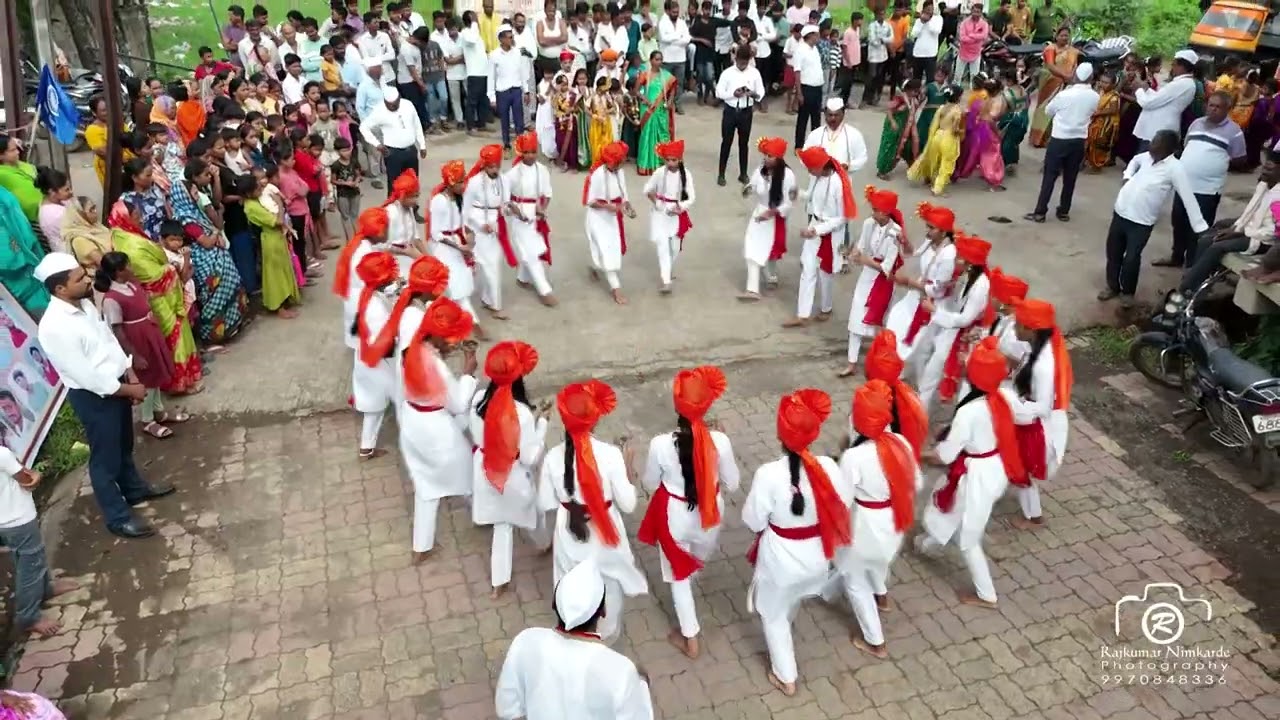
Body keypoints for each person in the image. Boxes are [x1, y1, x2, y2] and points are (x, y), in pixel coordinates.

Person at [33, 253, 175, 539]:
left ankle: (134, 490)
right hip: (94, 397)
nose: (88, 279)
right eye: (79, 278)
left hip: (117, 384)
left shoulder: (85, 305)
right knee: (104, 459)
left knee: (123, 445)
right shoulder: (54, 327)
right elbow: (87, 376)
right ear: (60, 289)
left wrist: (130, 374)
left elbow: (109, 342)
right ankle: (117, 518)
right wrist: (128, 389)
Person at [743, 388, 851, 696]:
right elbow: (843, 504)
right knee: (790, 598)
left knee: (772, 614)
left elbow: (753, 520)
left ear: (780, 433)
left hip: (781, 560)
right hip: (817, 559)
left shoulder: (768, 474)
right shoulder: (828, 466)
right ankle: (787, 623)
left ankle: (785, 676)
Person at [916, 336, 1030, 608]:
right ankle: (930, 543)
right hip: (996, 466)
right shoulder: (1005, 395)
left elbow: (945, 456)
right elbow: (1025, 417)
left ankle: (986, 594)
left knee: (969, 539)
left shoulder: (969, 412)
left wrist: (917, 455)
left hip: (978, 475)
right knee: (954, 507)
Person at [635, 365, 740, 658]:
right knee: (694, 563)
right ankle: (690, 601)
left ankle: (690, 637)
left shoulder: (659, 444)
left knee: (678, 574)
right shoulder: (720, 441)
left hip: (674, 514)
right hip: (710, 514)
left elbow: (650, 483)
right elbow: (733, 483)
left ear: (676, 406)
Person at [537, 379, 648, 645]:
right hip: (605, 533)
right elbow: (629, 505)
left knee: (568, 578)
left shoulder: (552, 457)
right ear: (595, 420)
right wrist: (628, 471)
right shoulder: (611, 455)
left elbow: (546, 503)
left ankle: (572, 627)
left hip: (569, 531)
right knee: (609, 583)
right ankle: (604, 637)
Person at [494, 557, 655, 719]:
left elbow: (507, 708)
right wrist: (640, 685)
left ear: (554, 604)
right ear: (603, 611)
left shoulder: (526, 641)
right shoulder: (621, 672)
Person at [831, 380, 921, 658]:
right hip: (894, 519)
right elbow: (916, 483)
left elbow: (842, 500)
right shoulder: (902, 443)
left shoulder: (854, 456)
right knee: (879, 560)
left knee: (854, 579)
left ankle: (874, 640)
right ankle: (881, 596)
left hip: (866, 522)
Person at [397, 295, 478, 563]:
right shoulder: (436, 366)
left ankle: (421, 546)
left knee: (426, 484)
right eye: (451, 339)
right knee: (468, 472)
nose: (454, 343)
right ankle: (485, 513)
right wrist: (468, 373)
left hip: (412, 422)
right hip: (436, 428)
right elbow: (458, 404)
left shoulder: (411, 350)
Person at [469, 340, 551, 597]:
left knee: (502, 525)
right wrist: (542, 425)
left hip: (485, 471)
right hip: (512, 473)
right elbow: (530, 457)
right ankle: (544, 544)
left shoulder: (479, 401)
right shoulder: (522, 414)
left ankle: (499, 582)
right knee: (532, 511)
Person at [1099, 129, 1207, 307]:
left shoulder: (1175, 169)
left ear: (1169, 149)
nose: (1152, 145)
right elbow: (1134, 161)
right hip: (1121, 213)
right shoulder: (1146, 157)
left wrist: (1201, 228)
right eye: (1153, 141)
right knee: (1113, 253)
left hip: (1141, 222)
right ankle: (1112, 287)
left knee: (1131, 258)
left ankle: (1127, 292)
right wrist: (1127, 177)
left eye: (1157, 143)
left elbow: (1188, 198)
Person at [94, 251, 183, 440]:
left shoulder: (132, 285)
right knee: (147, 380)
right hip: (137, 341)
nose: (131, 267)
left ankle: (159, 411)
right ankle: (147, 420)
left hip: (149, 334)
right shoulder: (111, 299)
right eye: (128, 265)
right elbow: (117, 330)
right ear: (119, 271)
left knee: (156, 374)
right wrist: (134, 355)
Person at [1153, 91, 1246, 268]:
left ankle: (1192, 264)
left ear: (1227, 109)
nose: (1213, 109)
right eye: (1211, 105)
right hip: (1184, 185)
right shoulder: (1196, 124)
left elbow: (1240, 159)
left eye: (1218, 107)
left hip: (1208, 190)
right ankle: (1176, 257)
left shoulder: (1234, 132)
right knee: (1178, 223)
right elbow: (1187, 145)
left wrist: (1216, 163)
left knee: (1198, 228)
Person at [0, 446, 79, 638]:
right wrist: (36, 475)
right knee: (30, 566)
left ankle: (45, 588)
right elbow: (28, 480)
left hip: (6, 520)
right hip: (17, 519)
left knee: (29, 557)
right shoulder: (2, 454)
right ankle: (28, 617)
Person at [1008, 298, 1072, 529]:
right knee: (1016, 465)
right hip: (1030, 418)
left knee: (1021, 467)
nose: (1014, 328)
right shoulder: (1036, 350)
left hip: (1039, 426)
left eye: (1018, 324)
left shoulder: (1043, 365)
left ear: (1031, 330)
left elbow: (1043, 407)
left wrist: (1011, 406)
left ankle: (1034, 517)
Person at [1178, 154, 1280, 294]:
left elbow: (1272, 233)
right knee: (1208, 237)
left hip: (1264, 241)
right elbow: (1249, 212)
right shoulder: (1264, 185)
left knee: (1217, 247)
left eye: (1269, 170)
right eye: (1264, 168)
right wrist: (1236, 227)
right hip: (1251, 228)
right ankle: (1196, 277)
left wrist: (1241, 231)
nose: (1263, 172)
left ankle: (1187, 288)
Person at [915, 232, 992, 415]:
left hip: (966, 337)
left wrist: (935, 311)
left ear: (969, 263)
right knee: (932, 372)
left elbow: (965, 319)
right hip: (955, 332)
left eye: (959, 257)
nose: (955, 259)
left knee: (960, 383)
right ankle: (920, 411)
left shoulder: (980, 286)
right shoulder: (968, 277)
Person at [783, 146, 856, 329]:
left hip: (830, 234)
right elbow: (811, 195)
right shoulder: (817, 177)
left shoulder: (838, 184)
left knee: (825, 274)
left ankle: (826, 307)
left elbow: (843, 217)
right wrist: (799, 194)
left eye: (810, 168)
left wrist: (817, 230)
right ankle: (803, 315)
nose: (808, 171)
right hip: (815, 227)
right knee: (808, 269)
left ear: (820, 166)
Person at [885, 201, 958, 373]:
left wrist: (908, 282)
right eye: (928, 226)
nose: (928, 231)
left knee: (920, 341)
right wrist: (904, 242)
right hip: (919, 291)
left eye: (932, 228)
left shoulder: (948, 255)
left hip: (933, 302)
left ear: (944, 232)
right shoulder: (931, 240)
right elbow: (913, 253)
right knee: (898, 319)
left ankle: (915, 375)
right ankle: (898, 368)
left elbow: (938, 290)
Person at [841, 185, 906, 377]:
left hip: (882, 283)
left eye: (876, 210)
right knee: (856, 319)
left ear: (886, 212)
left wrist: (865, 260)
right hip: (866, 278)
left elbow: (887, 268)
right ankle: (851, 363)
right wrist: (853, 255)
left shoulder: (896, 233)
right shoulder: (869, 223)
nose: (873, 213)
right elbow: (861, 247)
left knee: (878, 324)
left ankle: (878, 364)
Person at [1024, 64, 1099, 223]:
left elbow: (1048, 111)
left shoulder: (1064, 95)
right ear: (1091, 78)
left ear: (1075, 76)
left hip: (1059, 139)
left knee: (1049, 177)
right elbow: (1093, 112)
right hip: (1078, 140)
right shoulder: (1095, 96)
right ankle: (1064, 211)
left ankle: (1040, 212)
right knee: (1070, 178)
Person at [349, 251, 403, 460]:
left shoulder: (367, 293)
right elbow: (384, 343)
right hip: (378, 362)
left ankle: (366, 448)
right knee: (402, 399)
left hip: (365, 358)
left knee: (375, 407)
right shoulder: (376, 310)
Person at [428, 160, 483, 336]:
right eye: (459, 182)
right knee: (456, 285)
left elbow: (465, 223)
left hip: (459, 243)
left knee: (461, 283)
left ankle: (451, 316)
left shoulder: (460, 198)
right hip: (443, 247)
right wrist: (459, 247)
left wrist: (470, 238)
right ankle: (473, 323)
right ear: (450, 183)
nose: (463, 185)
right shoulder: (439, 201)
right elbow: (435, 233)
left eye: (463, 181)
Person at [505, 132, 558, 306]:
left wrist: (542, 209)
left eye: (534, 152)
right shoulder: (513, 174)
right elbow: (505, 200)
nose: (530, 156)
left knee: (534, 248)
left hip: (536, 214)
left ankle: (522, 278)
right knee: (531, 253)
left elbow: (547, 193)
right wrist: (516, 211)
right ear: (521, 152)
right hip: (519, 217)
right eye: (526, 152)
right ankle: (544, 289)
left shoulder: (542, 170)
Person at [739, 137, 795, 301]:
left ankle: (770, 275)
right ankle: (753, 289)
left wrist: (771, 213)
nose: (766, 158)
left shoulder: (788, 176)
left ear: (779, 158)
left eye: (770, 156)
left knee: (769, 249)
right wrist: (748, 189)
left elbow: (789, 203)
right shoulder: (760, 170)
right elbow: (753, 185)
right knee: (751, 247)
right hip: (759, 213)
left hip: (775, 216)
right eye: (765, 155)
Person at [464, 145, 515, 320]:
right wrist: (478, 225)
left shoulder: (504, 180)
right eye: (490, 167)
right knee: (490, 266)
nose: (494, 170)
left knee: (493, 265)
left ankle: (487, 298)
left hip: (497, 225)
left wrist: (508, 211)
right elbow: (466, 209)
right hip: (479, 227)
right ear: (484, 165)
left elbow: (505, 204)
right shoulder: (474, 182)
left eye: (497, 166)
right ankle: (495, 305)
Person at [583, 141, 636, 304]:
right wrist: (608, 206)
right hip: (598, 219)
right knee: (607, 252)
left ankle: (594, 267)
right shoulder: (598, 175)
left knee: (610, 250)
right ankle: (616, 289)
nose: (624, 162)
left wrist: (627, 205)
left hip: (613, 218)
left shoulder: (620, 172)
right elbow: (590, 201)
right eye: (621, 159)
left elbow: (623, 193)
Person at [642, 140, 695, 294]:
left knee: (675, 248)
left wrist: (681, 207)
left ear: (680, 159)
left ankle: (668, 270)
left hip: (676, 214)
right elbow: (647, 189)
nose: (670, 163)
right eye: (667, 160)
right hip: (659, 213)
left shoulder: (686, 174)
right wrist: (656, 202)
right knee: (663, 247)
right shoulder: (659, 172)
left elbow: (691, 197)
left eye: (673, 160)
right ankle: (666, 281)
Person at [360, 86, 428, 196]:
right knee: (394, 185)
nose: (392, 107)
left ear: (399, 98)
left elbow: (417, 124)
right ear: (385, 101)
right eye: (389, 105)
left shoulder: (408, 105)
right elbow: (364, 127)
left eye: (395, 104)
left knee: (412, 182)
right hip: (393, 153)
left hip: (411, 150)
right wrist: (377, 144)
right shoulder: (379, 111)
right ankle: (393, 206)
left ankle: (412, 206)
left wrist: (422, 145)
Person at [715, 45, 765, 186]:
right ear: (735, 59)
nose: (743, 65)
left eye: (745, 62)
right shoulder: (727, 73)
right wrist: (733, 94)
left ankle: (743, 174)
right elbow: (719, 92)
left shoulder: (754, 73)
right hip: (730, 111)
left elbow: (761, 92)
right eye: (740, 62)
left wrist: (753, 94)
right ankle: (721, 174)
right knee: (726, 142)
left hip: (746, 112)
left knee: (744, 143)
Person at [1133, 49, 1199, 155]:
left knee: (1146, 160)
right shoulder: (1184, 83)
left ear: (1182, 67)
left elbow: (1148, 103)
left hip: (1158, 129)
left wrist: (1138, 90)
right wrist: (1146, 89)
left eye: (1174, 64)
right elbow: (1159, 98)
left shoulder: (1181, 84)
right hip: (1157, 128)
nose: (1172, 67)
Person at [907, 84, 965, 197]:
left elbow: (934, 125)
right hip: (949, 139)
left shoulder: (942, 108)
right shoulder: (957, 111)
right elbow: (954, 130)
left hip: (937, 136)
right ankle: (938, 188)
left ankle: (931, 181)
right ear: (958, 97)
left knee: (935, 160)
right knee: (946, 164)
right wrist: (961, 131)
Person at [1028, 27, 1079, 149]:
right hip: (1049, 82)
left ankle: (1051, 138)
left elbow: (1074, 66)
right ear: (1056, 36)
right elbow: (1050, 66)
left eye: (1067, 35)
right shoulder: (1050, 49)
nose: (1064, 38)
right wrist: (1065, 76)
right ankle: (1037, 138)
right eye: (1062, 35)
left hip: (1065, 84)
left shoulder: (1073, 51)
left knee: (1059, 110)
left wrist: (1070, 77)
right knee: (1044, 108)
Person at [490, 25, 533, 152]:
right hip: (502, 91)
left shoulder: (517, 53)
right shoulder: (494, 55)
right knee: (504, 120)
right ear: (501, 39)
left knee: (519, 119)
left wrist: (526, 91)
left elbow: (522, 73)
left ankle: (521, 143)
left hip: (516, 90)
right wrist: (492, 97)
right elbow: (491, 77)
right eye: (509, 37)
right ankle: (506, 143)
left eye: (512, 36)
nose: (511, 39)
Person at [636, 51, 677, 176]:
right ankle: (646, 164)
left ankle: (662, 162)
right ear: (651, 60)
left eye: (660, 59)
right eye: (657, 59)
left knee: (662, 133)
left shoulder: (666, 76)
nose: (659, 62)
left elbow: (673, 89)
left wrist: (670, 101)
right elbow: (636, 91)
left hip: (661, 109)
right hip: (648, 108)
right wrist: (644, 99)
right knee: (647, 134)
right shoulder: (645, 75)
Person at [875, 79, 923, 179]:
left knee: (907, 145)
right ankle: (882, 170)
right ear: (908, 89)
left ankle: (911, 164)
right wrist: (893, 122)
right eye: (915, 91)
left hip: (905, 127)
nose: (916, 93)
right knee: (889, 147)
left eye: (917, 91)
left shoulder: (913, 100)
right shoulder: (900, 99)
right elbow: (889, 110)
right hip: (894, 126)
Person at [791, 26, 825, 149]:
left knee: (816, 118)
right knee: (803, 118)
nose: (818, 37)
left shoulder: (815, 49)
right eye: (817, 34)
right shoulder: (800, 50)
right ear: (810, 35)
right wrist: (799, 93)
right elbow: (797, 72)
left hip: (817, 87)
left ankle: (815, 145)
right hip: (806, 88)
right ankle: (799, 146)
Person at [657, 1, 692, 114]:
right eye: (673, 12)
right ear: (668, 11)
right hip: (667, 58)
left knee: (679, 83)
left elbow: (687, 38)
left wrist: (674, 40)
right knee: (666, 84)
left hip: (680, 58)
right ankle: (666, 104)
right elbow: (664, 38)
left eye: (677, 12)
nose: (676, 14)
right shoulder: (663, 22)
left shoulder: (682, 23)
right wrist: (679, 36)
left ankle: (678, 104)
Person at [0, 136, 41, 223]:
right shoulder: (2, 174)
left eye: (16, 148)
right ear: (1, 155)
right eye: (13, 150)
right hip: (32, 219)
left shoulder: (22, 165)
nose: (18, 152)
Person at [862, 8, 893, 106]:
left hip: (883, 55)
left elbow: (891, 38)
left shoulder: (887, 25)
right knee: (871, 76)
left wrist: (882, 39)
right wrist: (882, 40)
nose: (881, 16)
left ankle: (876, 96)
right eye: (879, 14)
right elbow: (872, 39)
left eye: (883, 14)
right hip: (873, 55)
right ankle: (866, 97)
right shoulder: (872, 26)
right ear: (876, 15)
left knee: (880, 77)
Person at [955, 3, 990, 84]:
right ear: (971, 11)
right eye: (974, 11)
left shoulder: (984, 24)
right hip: (963, 53)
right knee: (957, 77)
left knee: (974, 79)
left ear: (981, 13)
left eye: (978, 12)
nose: (976, 14)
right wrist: (977, 38)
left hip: (976, 54)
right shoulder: (964, 23)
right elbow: (962, 38)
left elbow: (984, 36)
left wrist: (971, 35)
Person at [908, 4, 942, 83]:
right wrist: (921, 23)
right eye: (927, 9)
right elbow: (913, 34)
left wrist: (928, 21)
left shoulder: (938, 19)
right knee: (916, 79)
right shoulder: (919, 20)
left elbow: (936, 31)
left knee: (930, 79)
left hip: (930, 54)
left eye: (930, 9)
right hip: (918, 53)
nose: (928, 11)